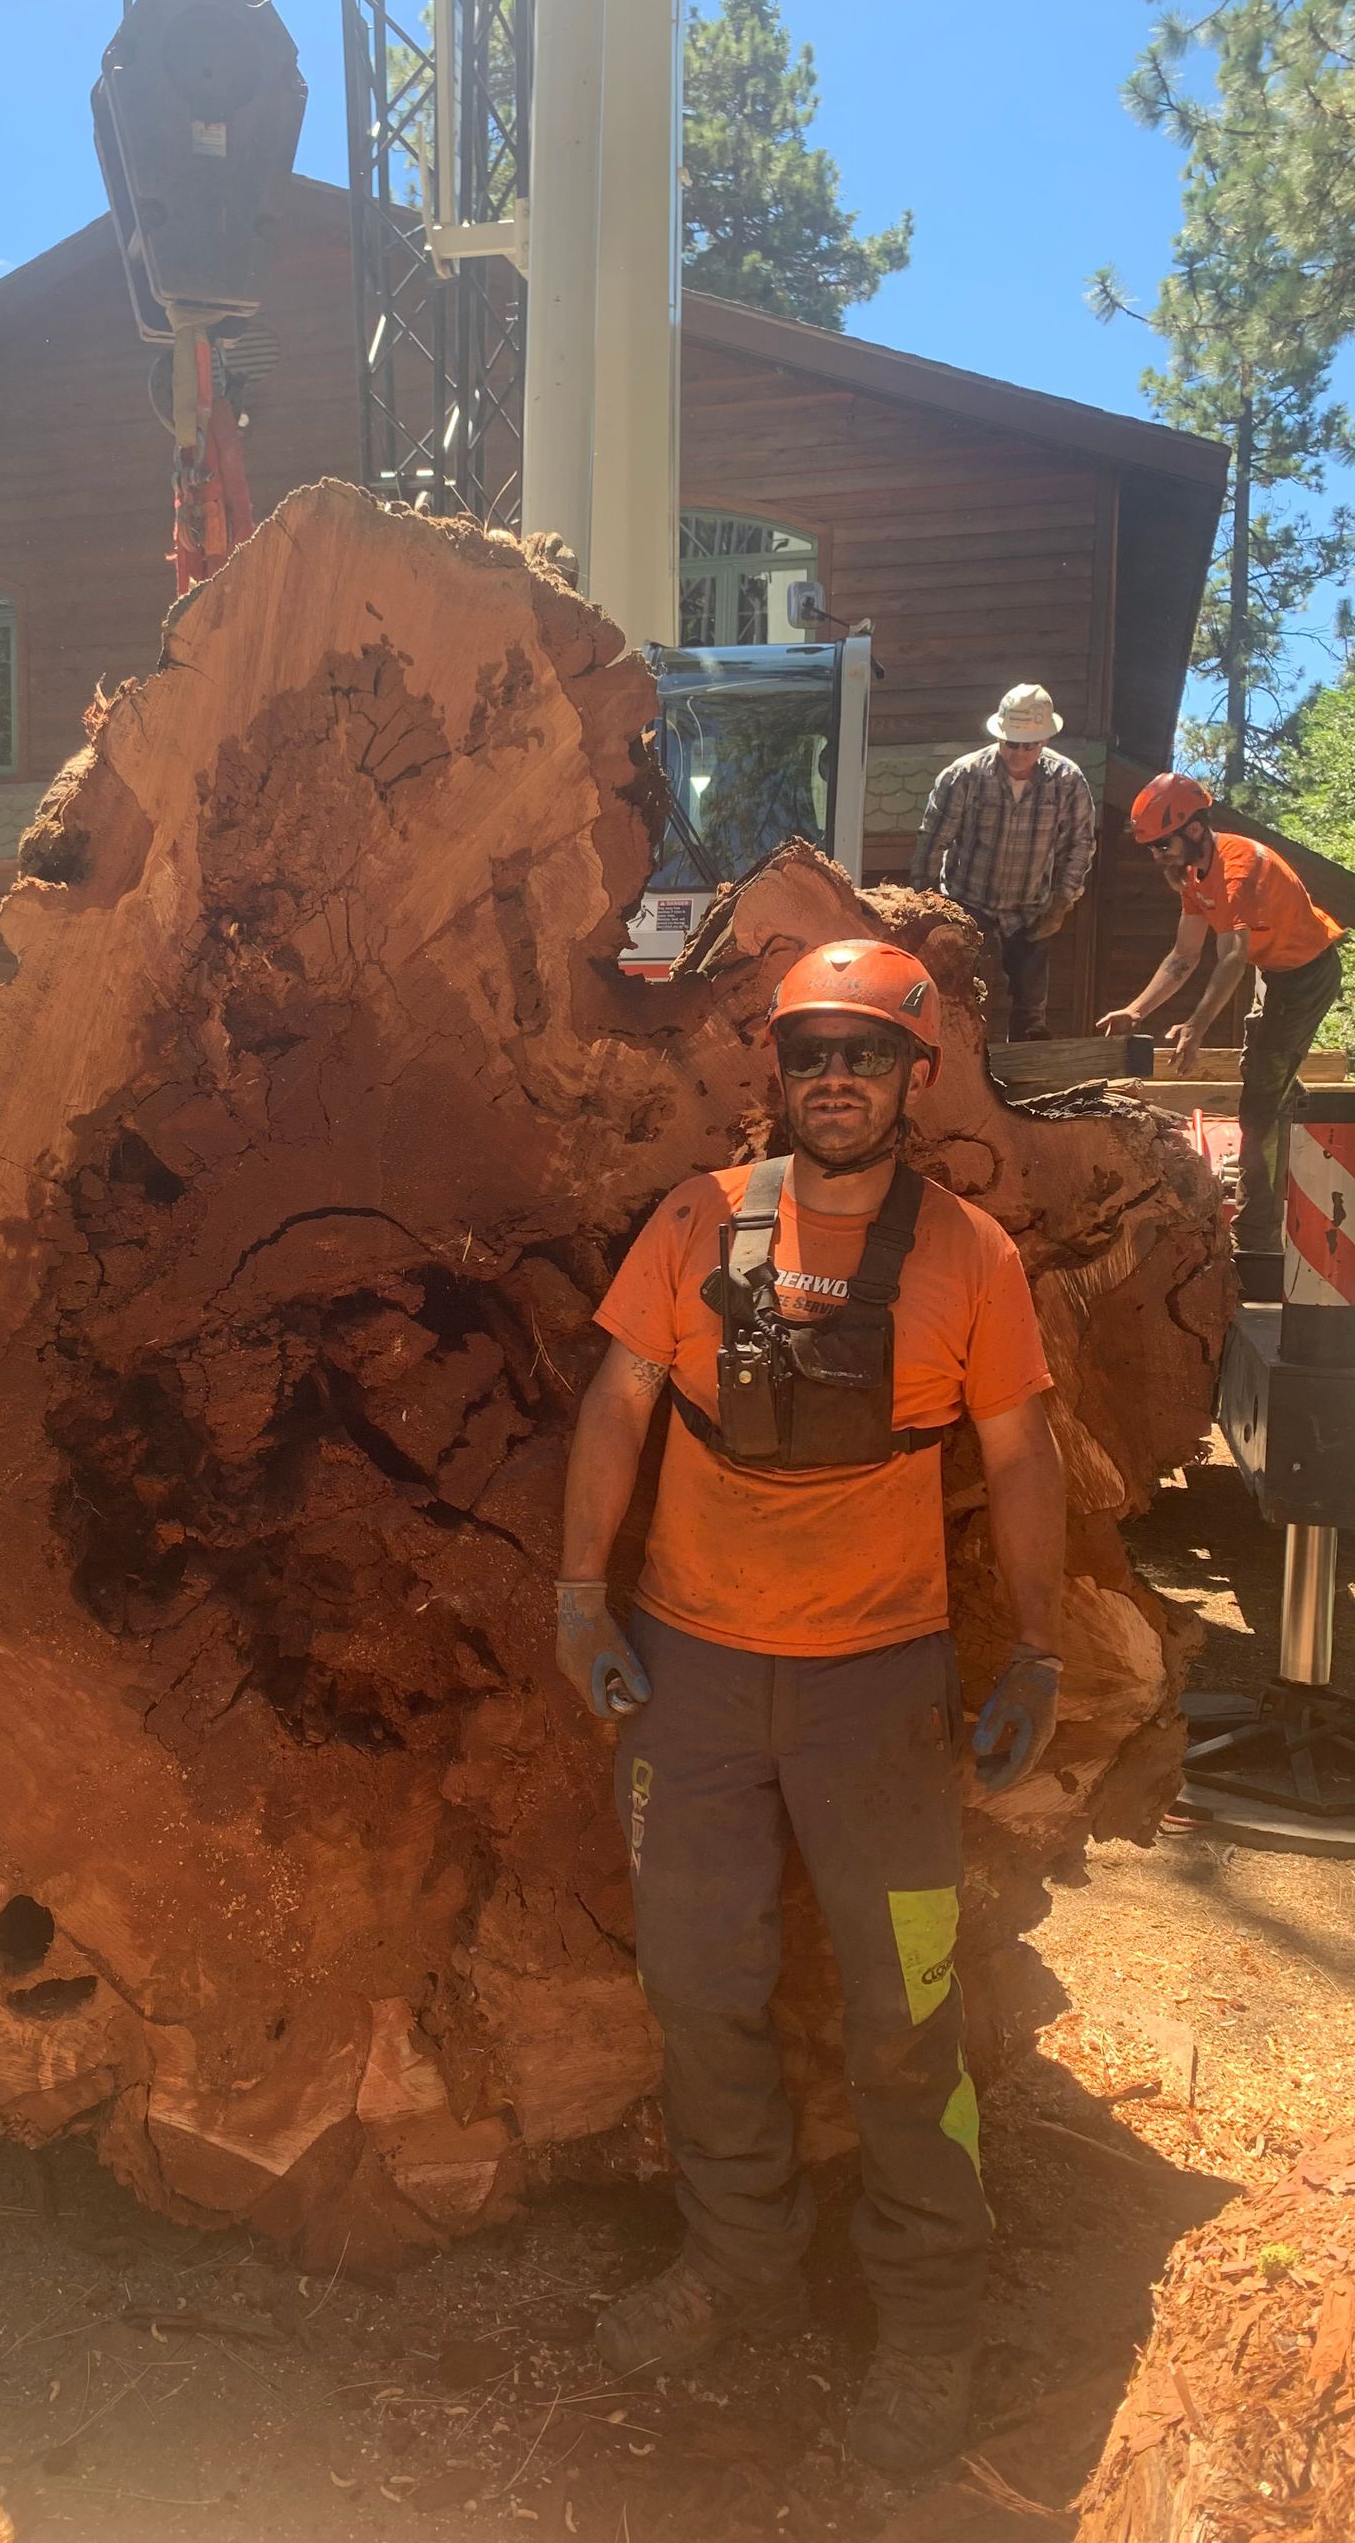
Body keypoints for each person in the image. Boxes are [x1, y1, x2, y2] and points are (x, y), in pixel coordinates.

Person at [554, 938, 1065, 2477]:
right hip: (694, 1681)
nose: (837, 1076)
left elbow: (1022, 1455)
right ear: (774, 1068)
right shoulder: (695, 1222)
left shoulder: (971, 1256)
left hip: (878, 1690)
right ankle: (738, 2265)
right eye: (811, 1050)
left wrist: (1040, 1648)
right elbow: (620, 1403)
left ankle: (931, 2323)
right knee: (700, 1991)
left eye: (869, 1052)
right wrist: (581, 1596)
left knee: (907, 2010)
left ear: (917, 1075)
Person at [1096, 773, 1348, 1258]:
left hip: (1306, 976)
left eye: (1162, 845)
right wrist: (1135, 1010)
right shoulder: (1194, 873)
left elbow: (1232, 957)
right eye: (1151, 848)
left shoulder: (1239, 868)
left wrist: (1196, 1027)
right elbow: (1183, 956)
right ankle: (1288, 1107)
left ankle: (1255, 1237)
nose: (1157, 857)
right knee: (1266, 1074)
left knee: (1259, 1106)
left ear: (1193, 829)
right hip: (1273, 974)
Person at [912, 685, 1097, 1042]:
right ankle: (961, 1056)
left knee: (1030, 1007)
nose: (1018, 753)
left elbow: (1080, 845)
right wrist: (929, 905)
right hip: (968, 901)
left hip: (1031, 908)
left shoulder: (1068, 781)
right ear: (999, 735)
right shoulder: (964, 776)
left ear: (1044, 740)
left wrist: (1061, 903)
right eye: (1012, 743)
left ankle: (1026, 1063)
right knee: (963, 998)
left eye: (1029, 745)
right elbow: (933, 842)